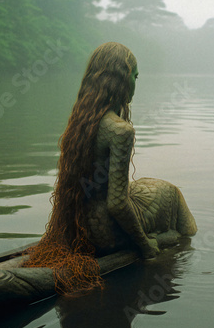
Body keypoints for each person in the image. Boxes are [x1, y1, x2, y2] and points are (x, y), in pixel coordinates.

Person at [24, 42, 197, 295]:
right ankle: (180, 239)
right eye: (135, 76)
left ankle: (170, 236)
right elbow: (116, 203)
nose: (136, 84)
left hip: (78, 225)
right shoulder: (119, 130)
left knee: (146, 186)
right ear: (121, 79)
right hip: (105, 234)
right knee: (171, 194)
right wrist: (145, 246)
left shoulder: (81, 121)